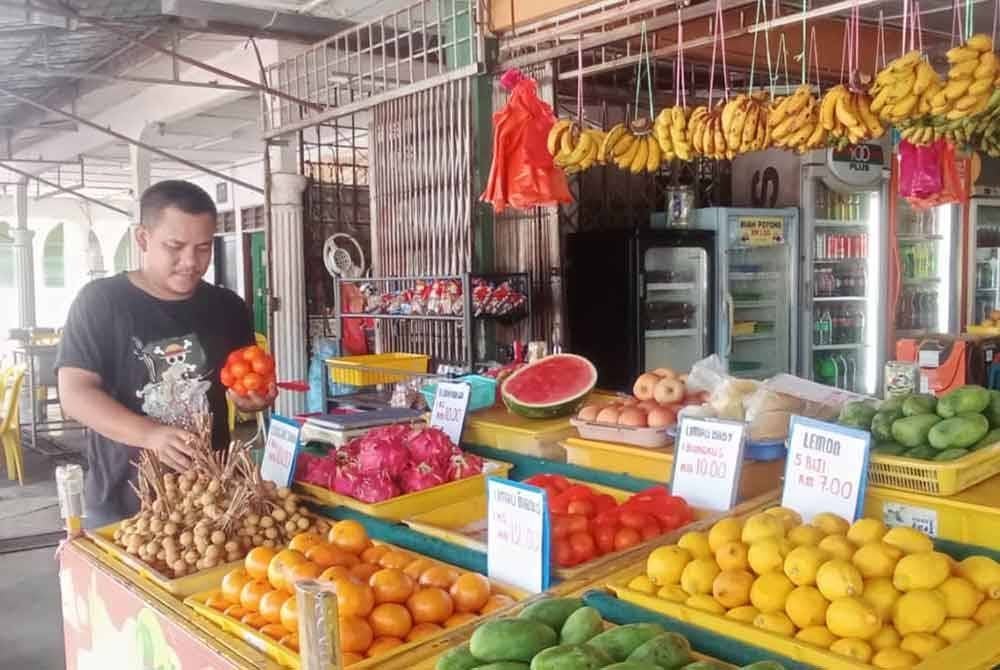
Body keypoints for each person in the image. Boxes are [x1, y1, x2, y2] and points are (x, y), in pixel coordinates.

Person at [56, 180, 276, 528]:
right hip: (125, 505)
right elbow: (75, 394)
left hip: (212, 501)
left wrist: (252, 400)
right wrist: (149, 435)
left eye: (203, 248)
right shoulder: (101, 302)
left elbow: (243, 380)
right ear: (142, 238)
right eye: (175, 246)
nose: (191, 261)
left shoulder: (227, 307)